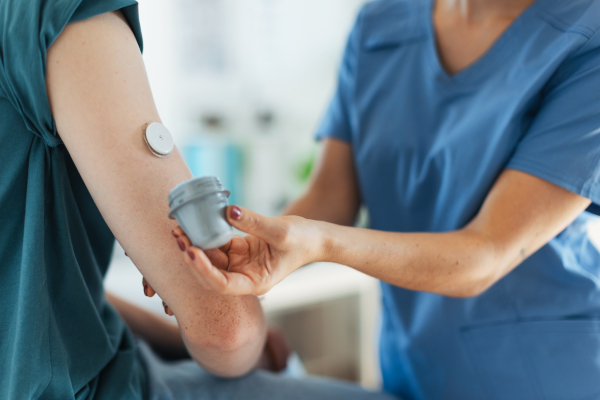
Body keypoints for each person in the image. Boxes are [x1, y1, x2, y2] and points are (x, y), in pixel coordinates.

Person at [169, 0, 600, 399]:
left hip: (546, 375)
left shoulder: (585, 34)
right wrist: (237, 250)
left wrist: (322, 243)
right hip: (411, 369)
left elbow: (486, 251)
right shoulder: (381, 22)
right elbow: (330, 196)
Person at [0, 0, 397, 399]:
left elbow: (38, 306)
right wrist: (248, 339)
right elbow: (225, 329)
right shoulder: (61, 17)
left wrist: (178, 333)